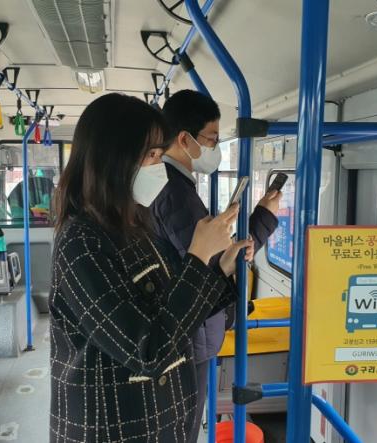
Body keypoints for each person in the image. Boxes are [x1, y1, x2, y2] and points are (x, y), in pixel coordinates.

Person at [49, 93, 253, 443]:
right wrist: (198, 255)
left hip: (155, 422)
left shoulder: (131, 225)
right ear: (116, 159)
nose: (160, 167)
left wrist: (220, 269)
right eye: (153, 156)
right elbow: (147, 350)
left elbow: (168, 306)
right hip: (114, 428)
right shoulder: (81, 243)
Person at [149, 89, 282, 441]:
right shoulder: (176, 193)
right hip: (190, 332)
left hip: (188, 326)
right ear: (184, 139)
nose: (215, 148)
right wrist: (264, 218)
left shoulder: (175, 185)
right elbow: (208, 269)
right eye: (212, 139)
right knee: (185, 427)